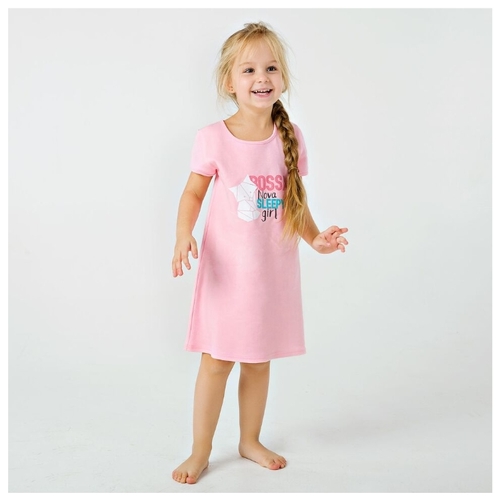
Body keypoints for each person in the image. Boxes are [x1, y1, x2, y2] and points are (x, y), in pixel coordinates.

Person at [171, 20, 349, 485]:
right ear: (229, 82)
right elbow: (193, 193)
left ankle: (249, 440)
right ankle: (201, 450)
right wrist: (183, 234)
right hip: (228, 275)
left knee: (258, 360)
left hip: (270, 276)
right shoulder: (214, 137)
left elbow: (295, 204)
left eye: (270, 68)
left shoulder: (290, 137)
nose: (261, 77)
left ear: (282, 78)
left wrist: (316, 239)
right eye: (248, 69)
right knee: (217, 362)